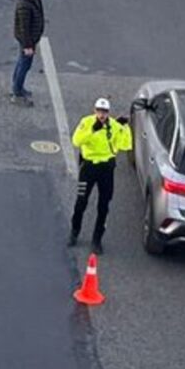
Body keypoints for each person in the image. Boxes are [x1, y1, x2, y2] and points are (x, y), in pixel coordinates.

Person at [68, 98, 132, 254]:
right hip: (88, 167)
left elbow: (126, 145)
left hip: (106, 169)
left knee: (104, 206)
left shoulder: (114, 126)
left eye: (104, 112)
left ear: (108, 113)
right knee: (81, 202)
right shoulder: (87, 122)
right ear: (94, 110)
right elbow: (76, 141)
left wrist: (125, 128)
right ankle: (74, 232)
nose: (101, 115)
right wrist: (92, 131)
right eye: (99, 111)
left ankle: (97, 240)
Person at [11, 0, 44, 105]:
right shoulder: (25, 5)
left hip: (31, 39)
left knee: (22, 63)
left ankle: (16, 86)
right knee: (24, 65)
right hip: (28, 41)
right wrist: (28, 46)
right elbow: (24, 28)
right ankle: (17, 93)